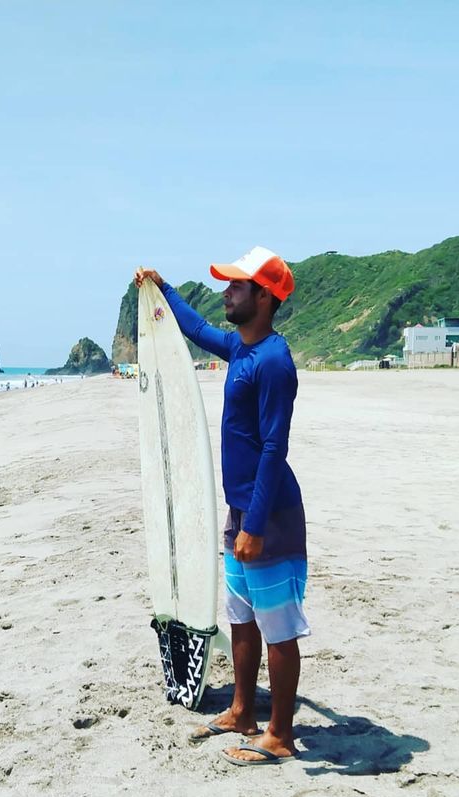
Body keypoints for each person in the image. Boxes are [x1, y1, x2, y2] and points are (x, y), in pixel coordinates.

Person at [135, 247, 309, 767]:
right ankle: (242, 711)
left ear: (265, 296)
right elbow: (194, 329)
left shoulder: (274, 362)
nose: (226, 292)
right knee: (241, 617)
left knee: (278, 627)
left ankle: (280, 736)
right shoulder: (239, 348)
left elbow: (275, 448)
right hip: (240, 510)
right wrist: (163, 288)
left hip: (268, 515)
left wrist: (254, 524)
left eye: (236, 286)